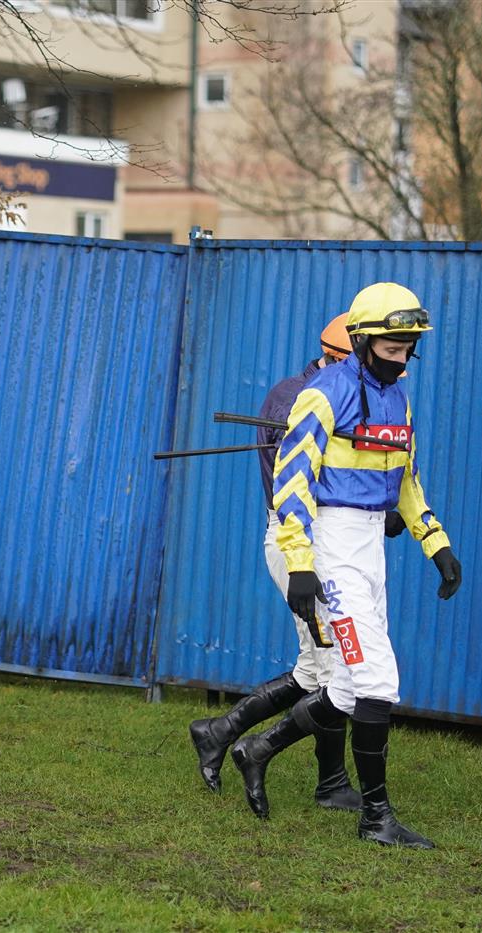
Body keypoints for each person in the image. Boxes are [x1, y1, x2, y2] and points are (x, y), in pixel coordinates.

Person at [231, 282, 462, 848]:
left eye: (409, 347)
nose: (402, 358)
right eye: (391, 347)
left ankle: (256, 749)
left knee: (353, 684)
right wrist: (301, 564)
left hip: (371, 548)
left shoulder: (398, 397)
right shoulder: (322, 394)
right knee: (376, 679)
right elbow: (290, 484)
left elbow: (404, 479)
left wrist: (436, 543)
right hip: (330, 545)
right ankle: (375, 819)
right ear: (361, 341)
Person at [189, 314, 385, 810]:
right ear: (341, 354)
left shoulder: (355, 396)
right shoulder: (294, 397)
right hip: (298, 543)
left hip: (332, 542)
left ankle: (220, 732)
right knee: (332, 668)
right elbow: (297, 482)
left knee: (317, 666)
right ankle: (313, 776)